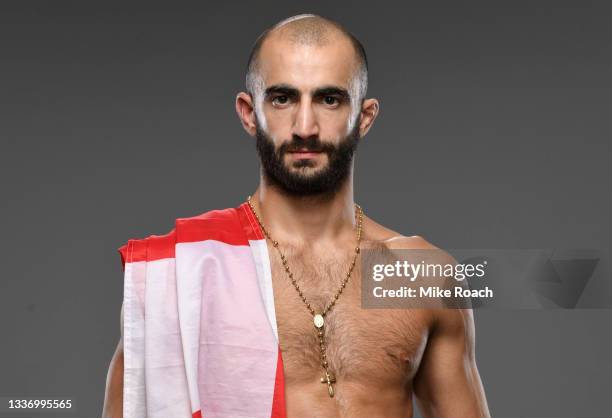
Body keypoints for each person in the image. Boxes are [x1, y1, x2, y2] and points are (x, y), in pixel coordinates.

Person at [103, 14, 491, 418]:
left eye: (329, 99)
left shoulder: (421, 276)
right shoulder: (187, 271)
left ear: (364, 116)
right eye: (283, 98)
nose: (305, 127)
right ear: (249, 113)